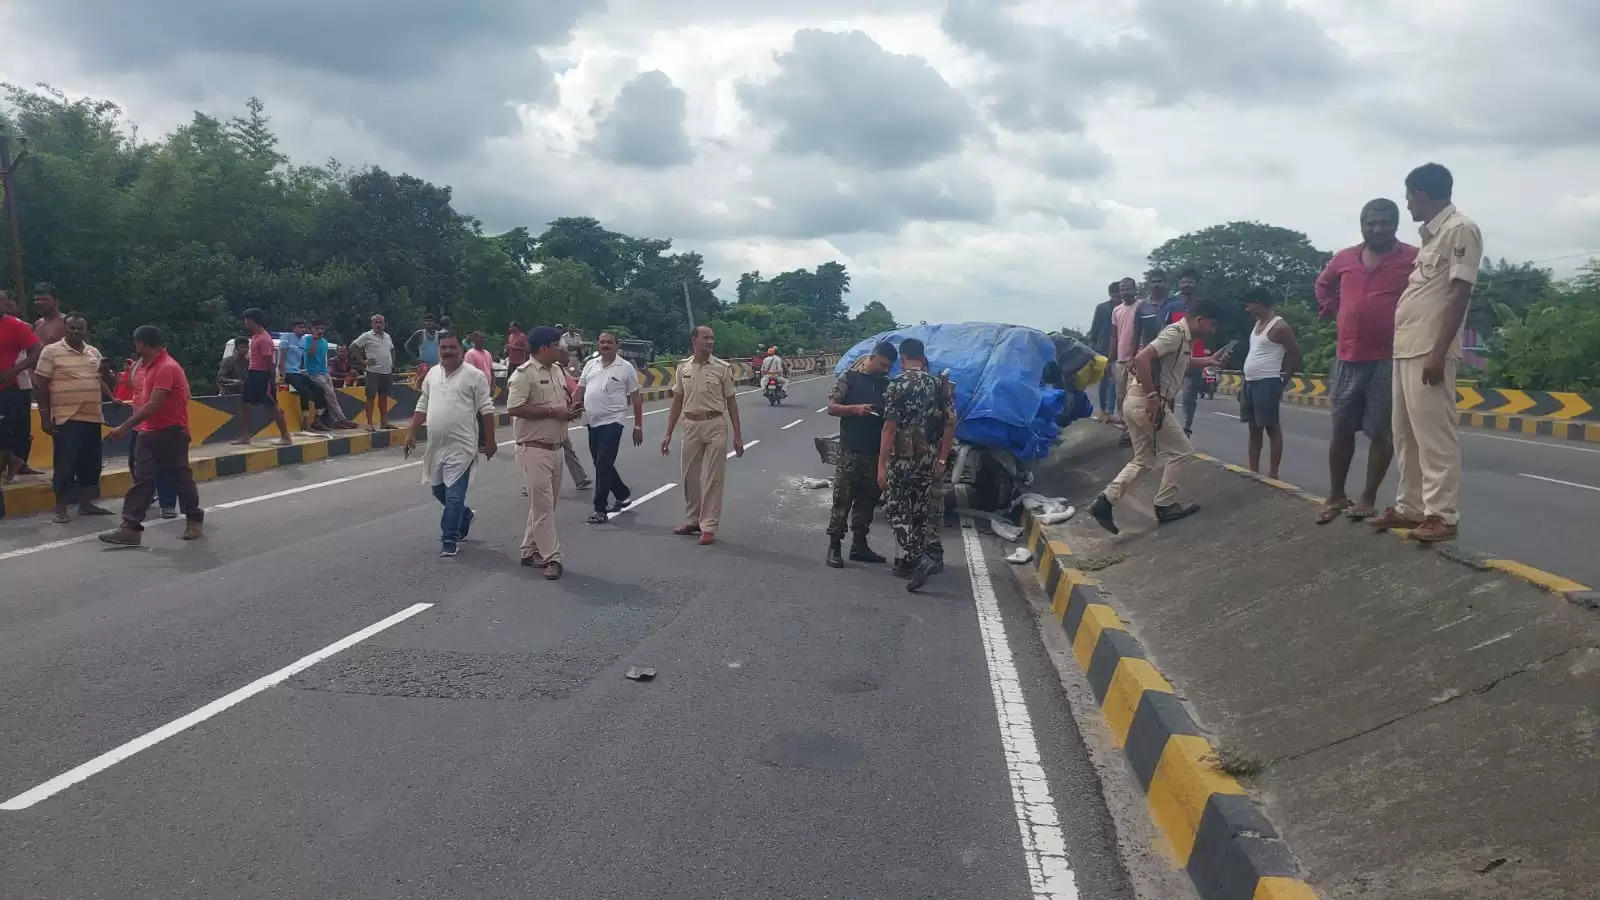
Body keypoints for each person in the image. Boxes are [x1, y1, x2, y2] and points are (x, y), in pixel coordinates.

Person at [1369, 163, 1481, 543]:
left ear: (1422, 193)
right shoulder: (1431, 238)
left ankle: (1442, 515)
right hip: (1407, 349)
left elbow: (1459, 292)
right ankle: (1411, 507)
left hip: (1429, 350)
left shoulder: (1459, 229)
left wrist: (1438, 352)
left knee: (1434, 435)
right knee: (1406, 435)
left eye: (1409, 196)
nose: (1408, 203)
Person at [1313, 199, 1417, 523]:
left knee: (1382, 434)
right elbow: (1322, 284)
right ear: (1362, 224)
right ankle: (1335, 495)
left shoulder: (1413, 258)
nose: (1378, 228)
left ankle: (1368, 497)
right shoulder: (1344, 257)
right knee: (1341, 430)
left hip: (1388, 359)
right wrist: (1331, 307)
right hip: (1347, 357)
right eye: (1371, 223)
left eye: (1385, 223)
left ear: (1396, 225)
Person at [1090, 297, 1231, 536]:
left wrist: (1208, 361)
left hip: (1135, 402)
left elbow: (1177, 363)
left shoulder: (1181, 337)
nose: (1212, 330)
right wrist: (1154, 397)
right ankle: (1165, 505)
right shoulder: (1176, 333)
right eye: (1212, 325)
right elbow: (1141, 359)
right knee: (1183, 451)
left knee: (1143, 460)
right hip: (1147, 402)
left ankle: (1105, 501)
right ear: (1200, 319)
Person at [98, 325, 204, 545]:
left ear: (142, 343)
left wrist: (125, 426)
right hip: (148, 431)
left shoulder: (166, 367)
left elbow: (154, 404)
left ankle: (194, 518)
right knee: (142, 479)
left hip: (171, 431)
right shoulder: (145, 366)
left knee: (180, 477)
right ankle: (130, 528)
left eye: (136, 343)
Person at [403, 332, 496, 558]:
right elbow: (423, 402)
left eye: (452, 347)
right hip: (436, 446)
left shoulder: (474, 376)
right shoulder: (433, 374)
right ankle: (464, 515)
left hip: (462, 446)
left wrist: (490, 441)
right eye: (443, 348)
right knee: (438, 489)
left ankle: (449, 538)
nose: (447, 351)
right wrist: (411, 434)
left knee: (454, 495)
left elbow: (486, 409)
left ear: (461, 350)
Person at [877, 338, 955, 592]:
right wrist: (942, 458)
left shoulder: (896, 385)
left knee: (894, 507)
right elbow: (949, 423)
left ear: (902, 359)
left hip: (902, 457)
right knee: (920, 509)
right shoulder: (938, 384)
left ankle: (920, 559)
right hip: (929, 456)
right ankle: (916, 561)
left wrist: (881, 466)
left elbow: (889, 428)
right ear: (922, 359)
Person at [661, 325, 744, 546]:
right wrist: (668, 433)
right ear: (694, 340)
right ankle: (693, 520)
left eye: (712, 338)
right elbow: (677, 400)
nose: (710, 342)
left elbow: (732, 402)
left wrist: (737, 435)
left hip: (716, 423)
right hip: (690, 424)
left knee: (713, 477)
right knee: (689, 476)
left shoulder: (722, 368)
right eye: (705, 338)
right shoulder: (683, 368)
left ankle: (709, 525)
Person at [33, 313, 115, 522]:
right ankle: (61, 509)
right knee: (65, 464)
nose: (75, 332)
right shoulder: (51, 352)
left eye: (80, 328)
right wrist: (44, 416)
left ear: (86, 330)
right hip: (65, 418)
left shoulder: (93, 352)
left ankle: (86, 504)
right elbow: (41, 385)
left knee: (91, 463)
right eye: (72, 328)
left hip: (93, 417)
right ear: (64, 328)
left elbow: (107, 381)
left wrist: (107, 374)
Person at [506, 326, 573, 578]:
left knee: (546, 505)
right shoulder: (524, 374)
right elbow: (514, 408)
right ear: (544, 347)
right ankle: (551, 558)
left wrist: (567, 410)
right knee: (543, 507)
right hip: (533, 450)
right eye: (557, 344)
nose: (561, 348)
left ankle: (528, 549)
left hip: (556, 448)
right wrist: (553, 412)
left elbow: (559, 403)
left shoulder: (557, 370)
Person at [825, 340, 896, 568]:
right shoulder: (849, 378)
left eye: (888, 367)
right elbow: (832, 407)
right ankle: (834, 546)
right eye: (882, 364)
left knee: (868, 501)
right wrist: (855, 409)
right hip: (850, 451)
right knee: (842, 501)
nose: (884, 369)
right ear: (872, 357)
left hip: (875, 453)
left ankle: (859, 545)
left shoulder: (888, 385)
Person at [579, 331, 644, 525]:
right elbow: (579, 389)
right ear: (598, 344)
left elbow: (636, 398)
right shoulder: (591, 364)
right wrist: (568, 406)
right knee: (600, 463)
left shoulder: (625, 368)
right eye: (602, 342)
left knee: (603, 464)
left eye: (609, 342)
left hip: (614, 422)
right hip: (592, 421)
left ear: (617, 346)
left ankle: (600, 509)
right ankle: (622, 494)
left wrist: (638, 425)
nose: (605, 345)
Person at [1238, 287, 1301, 480]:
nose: (1247, 309)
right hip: (1250, 381)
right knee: (1253, 427)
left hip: (1268, 381)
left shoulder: (1279, 327)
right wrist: (1243, 383)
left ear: (1258, 302)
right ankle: (1253, 470)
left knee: (1271, 427)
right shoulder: (1258, 324)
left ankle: (1273, 473)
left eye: (1249, 304)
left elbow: (1295, 354)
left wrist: (1283, 381)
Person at [230, 308, 293, 446]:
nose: (245, 323)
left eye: (246, 320)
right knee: (244, 405)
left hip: (262, 375)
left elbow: (269, 361)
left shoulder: (264, 339)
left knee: (271, 407)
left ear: (252, 320)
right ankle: (245, 436)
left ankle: (285, 435)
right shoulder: (255, 337)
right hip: (252, 374)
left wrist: (271, 378)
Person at [1, 290, 43, 483]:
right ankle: (13, 461)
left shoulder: (16, 326)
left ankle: (14, 463)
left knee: (10, 431)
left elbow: (36, 350)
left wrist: (14, 370)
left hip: (12, 387)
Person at [304, 321, 358, 429]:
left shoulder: (324, 342)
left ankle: (335, 421)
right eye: (317, 328)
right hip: (314, 373)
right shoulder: (307, 340)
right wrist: (314, 339)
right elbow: (310, 355)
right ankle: (342, 418)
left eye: (322, 329)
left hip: (324, 372)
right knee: (330, 395)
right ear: (312, 329)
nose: (320, 331)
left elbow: (323, 358)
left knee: (330, 396)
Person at [1173, 267, 1207, 436]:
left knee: (1189, 396)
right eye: (1184, 281)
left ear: (1196, 284)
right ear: (1179, 283)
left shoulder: (1202, 305)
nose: (1187, 284)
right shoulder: (1172, 304)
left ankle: (1186, 427)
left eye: (1190, 282)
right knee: (1168, 394)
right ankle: (1166, 427)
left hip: (1196, 356)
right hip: (1174, 355)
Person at [554, 346, 593, 491]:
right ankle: (531, 484)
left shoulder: (561, 371)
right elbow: (572, 388)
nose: (569, 360)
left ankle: (580, 479)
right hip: (552, 417)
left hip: (560, 416)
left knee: (566, 448)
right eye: (566, 356)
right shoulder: (556, 371)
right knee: (552, 452)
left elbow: (573, 388)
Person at [279, 320, 329, 432]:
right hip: (288, 372)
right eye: (300, 327)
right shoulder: (286, 337)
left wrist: (302, 370)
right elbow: (282, 356)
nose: (303, 330)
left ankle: (317, 419)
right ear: (293, 328)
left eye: (304, 328)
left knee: (320, 390)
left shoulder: (303, 341)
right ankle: (305, 422)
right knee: (304, 391)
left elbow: (302, 358)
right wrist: (281, 373)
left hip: (298, 372)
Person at [351, 313, 396, 430]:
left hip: (386, 371)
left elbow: (392, 349)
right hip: (373, 371)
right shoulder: (367, 336)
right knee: (370, 397)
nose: (379, 325)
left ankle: (384, 422)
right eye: (376, 322)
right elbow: (353, 346)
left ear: (384, 324)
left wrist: (392, 363)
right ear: (372, 324)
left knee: (384, 397)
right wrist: (363, 361)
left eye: (381, 322)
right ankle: (369, 423)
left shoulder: (387, 336)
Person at [1086, 281, 1119, 423]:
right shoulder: (1102, 308)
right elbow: (1095, 329)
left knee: (1113, 382)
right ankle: (1104, 410)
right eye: (1115, 294)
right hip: (1102, 350)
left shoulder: (1124, 308)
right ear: (1111, 294)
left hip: (1119, 350)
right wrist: (1091, 350)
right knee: (1104, 382)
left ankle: (1109, 412)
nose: (1117, 297)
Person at [406, 313, 442, 382]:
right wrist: (415, 358)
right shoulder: (419, 333)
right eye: (427, 321)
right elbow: (407, 345)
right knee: (423, 388)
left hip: (437, 366)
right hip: (424, 366)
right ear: (424, 323)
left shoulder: (440, 334)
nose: (429, 323)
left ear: (435, 323)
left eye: (431, 321)